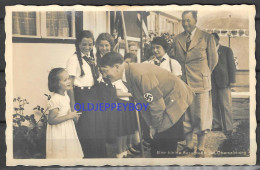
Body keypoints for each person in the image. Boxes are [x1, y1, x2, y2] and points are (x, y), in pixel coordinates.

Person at [99, 52, 194, 158]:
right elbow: (142, 102)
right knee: (157, 143)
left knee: (164, 145)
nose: (104, 76)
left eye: (105, 71)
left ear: (116, 67)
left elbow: (156, 104)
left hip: (175, 100)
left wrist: (155, 127)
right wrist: (151, 125)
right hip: (163, 101)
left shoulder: (140, 74)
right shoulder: (127, 74)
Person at [171, 10, 218, 157]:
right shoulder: (177, 38)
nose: (185, 24)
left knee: (201, 117)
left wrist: (204, 74)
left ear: (195, 20)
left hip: (200, 83)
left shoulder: (206, 37)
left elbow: (213, 60)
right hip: (183, 83)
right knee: (186, 117)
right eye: (183, 21)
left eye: (188, 20)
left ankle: (201, 147)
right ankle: (189, 145)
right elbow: (176, 59)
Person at [96, 33, 139, 158]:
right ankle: (120, 151)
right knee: (120, 127)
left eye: (107, 45)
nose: (104, 48)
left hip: (123, 97)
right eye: (101, 45)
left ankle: (126, 149)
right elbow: (107, 85)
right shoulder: (98, 63)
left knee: (127, 126)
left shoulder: (116, 60)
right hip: (112, 96)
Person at [66, 30, 107, 158]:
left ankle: (99, 158)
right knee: (88, 129)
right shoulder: (73, 59)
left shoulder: (92, 57)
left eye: (90, 44)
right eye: (84, 44)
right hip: (82, 96)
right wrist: (73, 107)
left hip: (93, 94)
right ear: (78, 43)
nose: (87, 47)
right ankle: (89, 158)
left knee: (98, 127)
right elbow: (69, 85)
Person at [46, 68, 83, 159]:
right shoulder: (55, 99)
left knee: (70, 152)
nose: (69, 81)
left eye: (69, 78)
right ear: (57, 83)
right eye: (65, 80)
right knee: (60, 153)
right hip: (59, 132)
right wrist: (68, 116)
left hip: (67, 129)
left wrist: (73, 115)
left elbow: (65, 111)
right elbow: (51, 120)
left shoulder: (65, 96)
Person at [211, 33, 236, 135]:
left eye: (212, 40)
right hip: (211, 82)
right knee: (214, 104)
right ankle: (217, 125)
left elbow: (232, 66)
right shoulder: (207, 51)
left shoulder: (226, 50)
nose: (211, 42)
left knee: (226, 105)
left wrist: (232, 81)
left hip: (223, 81)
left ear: (218, 39)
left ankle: (228, 127)